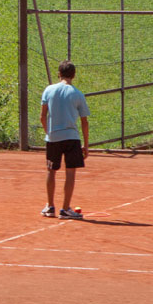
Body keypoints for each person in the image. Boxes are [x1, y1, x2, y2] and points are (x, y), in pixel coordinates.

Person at [39, 60, 90, 220]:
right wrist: (86, 145)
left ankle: (50, 207)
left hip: (53, 137)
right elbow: (84, 121)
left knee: (51, 170)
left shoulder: (49, 90)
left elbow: (42, 116)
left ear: (59, 73)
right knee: (70, 172)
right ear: (73, 75)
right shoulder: (77, 94)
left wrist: (49, 133)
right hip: (71, 137)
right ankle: (65, 209)